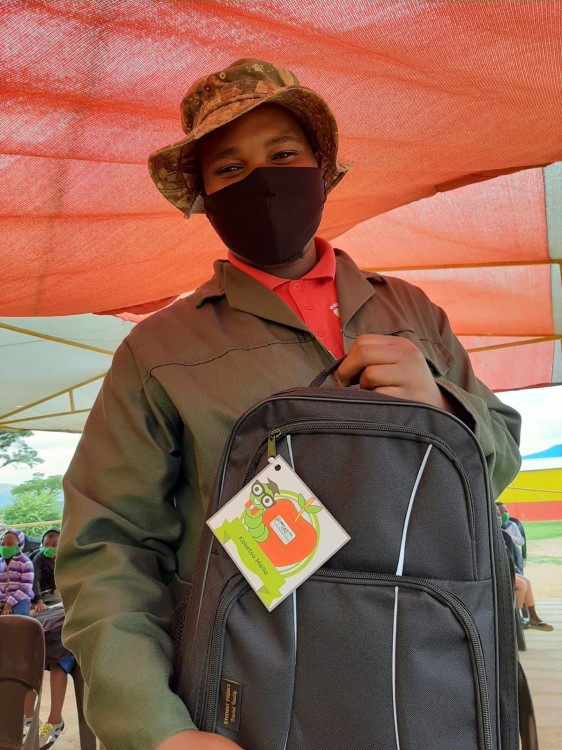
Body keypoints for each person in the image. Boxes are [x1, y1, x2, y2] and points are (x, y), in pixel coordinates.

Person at [57, 59, 522, 750]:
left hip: (432, 680)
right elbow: (108, 547)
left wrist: (443, 409)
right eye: (230, 169)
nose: (263, 183)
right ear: (205, 199)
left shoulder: (412, 312)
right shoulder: (159, 350)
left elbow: (499, 463)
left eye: (282, 155)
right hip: (251, 696)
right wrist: (157, 728)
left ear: (321, 169)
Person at [25, 528, 72, 747]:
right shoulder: (37, 560)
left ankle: (54, 721)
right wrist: (36, 602)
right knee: (29, 655)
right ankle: (27, 718)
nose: (53, 549)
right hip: (47, 611)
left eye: (57, 545)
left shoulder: (71, 561)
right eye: (49, 545)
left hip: (66, 618)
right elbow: (32, 585)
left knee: (58, 658)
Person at [0, 528, 34, 616]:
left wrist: (9, 603)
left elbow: (26, 587)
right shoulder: (0, 562)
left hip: (20, 598)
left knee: (18, 617)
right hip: (2, 598)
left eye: (10, 544)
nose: (5, 547)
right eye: (2, 544)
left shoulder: (25, 563)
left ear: (19, 546)